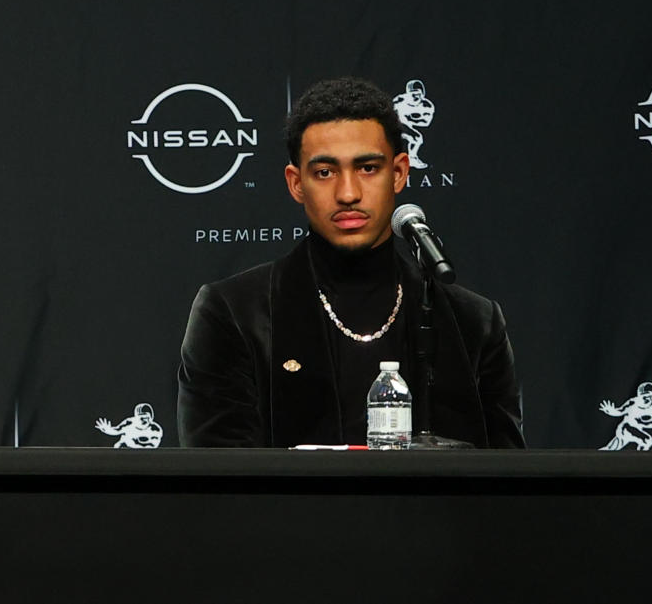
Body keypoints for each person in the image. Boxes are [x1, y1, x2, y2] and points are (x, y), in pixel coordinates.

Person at [177, 77, 524, 448]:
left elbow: (505, 482)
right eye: (325, 172)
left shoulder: (472, 321)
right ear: (296, 183)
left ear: (400, 172)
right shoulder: (234, 312)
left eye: (368, 168)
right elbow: (218, 482)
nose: (348, 193)